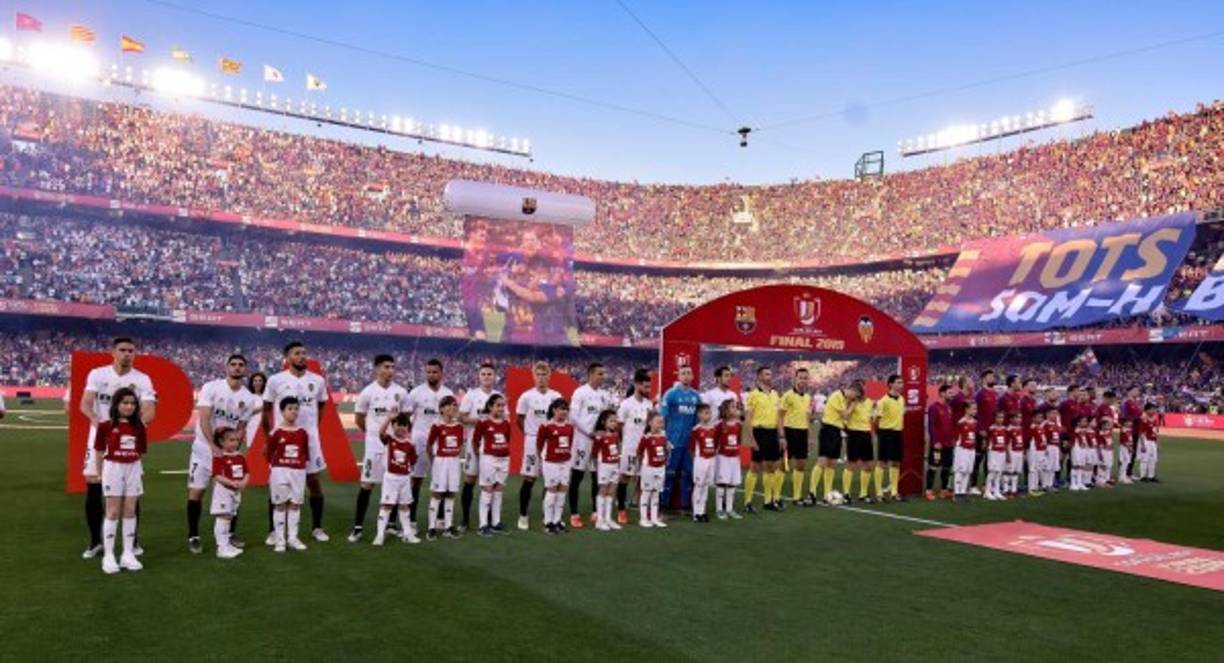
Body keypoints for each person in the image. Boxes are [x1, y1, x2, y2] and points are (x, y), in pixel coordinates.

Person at [80, 337, 156, 560]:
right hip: (101, 432)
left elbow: (150, 409)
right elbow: (85, 403)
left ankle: (132, 542)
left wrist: (133, 428)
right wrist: (98, 423)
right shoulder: (98, 374)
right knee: (94, 483)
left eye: (131, 351)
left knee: (130, 488)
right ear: (113, 352)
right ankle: (96, 541)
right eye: (122, 350)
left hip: (128, 436)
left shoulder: (142, 379)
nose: (126, 354)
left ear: (135, 354)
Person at [188, 354, 257, 555]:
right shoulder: (211, 387)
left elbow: (241, 428)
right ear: (226, 367)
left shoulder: (248, 398)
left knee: (233, 492)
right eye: (233, 364)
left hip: (228, 453)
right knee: (197, 492)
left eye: (241, 365)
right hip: (203, 449)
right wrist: (212, 445)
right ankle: (193, 535)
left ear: (245, 369)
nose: (237, 368)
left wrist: (234, 450)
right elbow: (204, 418)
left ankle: (229, 534)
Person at [262, 341, 330, 544]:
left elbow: (322, 404)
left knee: (314, 483)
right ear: (288, 357)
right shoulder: (276, 380)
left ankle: (317, 527)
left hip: (309, 440)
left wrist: (312, 428)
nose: (302, 356)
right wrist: (269, 436)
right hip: (283, 439)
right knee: (277, 484)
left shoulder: (317, 380)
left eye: (304, 353)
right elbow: (266, 408)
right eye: (297, 353)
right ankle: (274, 531)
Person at [350, 354, 408, 543]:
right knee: (367, 485)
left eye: (392, 367)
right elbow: (359, 419)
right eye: (386, 367)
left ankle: (391, 525)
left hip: (394, 448)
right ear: (376, 368)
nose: (390, 370)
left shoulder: (401, 392)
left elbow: (405, 420)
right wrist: (373, 434)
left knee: (393, 483)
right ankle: (357, 527)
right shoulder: (367, 392)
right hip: (374, 447)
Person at [94, 388, 147, 574]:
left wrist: (138, 470)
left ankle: (127, 553)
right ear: (116, 404)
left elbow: (140, 452)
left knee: (131, 510)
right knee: (113, 511)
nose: (129, 406)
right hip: (112, 468)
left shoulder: (139, 427)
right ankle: (109, 555)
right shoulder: (105, 426)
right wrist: (100, 474)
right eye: (125, 403)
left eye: (133, 403)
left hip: (133, 468)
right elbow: (99, 451)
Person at [404, 358, 454, 533]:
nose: (431, 375)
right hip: (419, 441)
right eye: (428, 372)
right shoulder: (416, 393)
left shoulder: (448, 393)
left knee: (441, 480)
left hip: (440, 443)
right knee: (416, 480)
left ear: (441, 373)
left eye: (435, 372)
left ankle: (440, 518)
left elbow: (451, 418)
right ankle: (411, 520)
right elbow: (407, 418)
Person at [568, 362, 615, 529]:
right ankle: (574, 513)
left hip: (599, 441)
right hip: (583, 440)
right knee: (577, 476)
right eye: (600, 374)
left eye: (604, 374)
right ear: (591, 375)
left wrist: (605, 433)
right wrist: (589, 431)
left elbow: (607, 418)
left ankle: (597, 511)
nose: (603, 377)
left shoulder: (605, 395)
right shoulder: (580, 392)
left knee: (598, 477)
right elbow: (573, 417)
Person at [515, 361, 561, 530]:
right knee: (529, 478)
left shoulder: (556, 396)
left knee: (550, 480)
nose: (541, 378)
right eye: (538, 374)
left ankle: (546, 516)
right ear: (534, 376)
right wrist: (529, 433)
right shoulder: (526, 396)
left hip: (551, 442)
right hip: (533, 441)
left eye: (545, 374)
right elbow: (519, 419)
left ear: (550, 376)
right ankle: (523, 516)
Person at [266, 397, 310, 552]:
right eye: (290, 408)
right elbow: (269, 453)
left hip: (298, 472)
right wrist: (272, 471)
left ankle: (293, 538)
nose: (294, 411)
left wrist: (301, 469)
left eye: (296, 408)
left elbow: (305, 453)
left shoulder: (303, 433)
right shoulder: (276, 432)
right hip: (280, 471)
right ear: (282, 411)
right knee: (279, 504)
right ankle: (280, 541)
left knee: (295, 504)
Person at [459, 363, 498, 532]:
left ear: (494, 376)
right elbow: (461, 417)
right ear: (479, 376)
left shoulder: (498, 396)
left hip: (493, 445)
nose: (487, 376)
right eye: (484, 374)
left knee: (490, 482)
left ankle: (489, 520)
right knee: (469, 480)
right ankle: (465, 519)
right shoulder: (471, 395)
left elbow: (505, 419)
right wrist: (482, 421)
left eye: (490, 374)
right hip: (474, 443)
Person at [374, 412, 420, 545]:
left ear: (408, 427)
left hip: (405, 478)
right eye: (398, 425)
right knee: (387, 505)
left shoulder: (410, 444)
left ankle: (407, 534)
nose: (401, 428)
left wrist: (407, 473)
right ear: (393, 426)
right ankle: (380, 535)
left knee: (404, 505)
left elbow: (412, 461)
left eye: (404, 425)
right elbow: (380, 432)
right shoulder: (389, 439)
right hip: (391, 478)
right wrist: (388, 418)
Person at [660, 364, 702, 512]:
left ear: (692, 376)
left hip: (689, 443)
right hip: (672, 442)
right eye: (683, 373)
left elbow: (699, 421)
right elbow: (663, 417)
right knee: (669, 473)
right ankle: (664, 505)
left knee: (688, 473)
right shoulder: (670, 394)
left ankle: (685, 505)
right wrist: (664, 438)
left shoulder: (696, 397)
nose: (686, 375)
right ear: (678, 376)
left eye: (688, 373)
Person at [615, 369, 653, 524]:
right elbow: (618, 426)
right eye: (645, 386)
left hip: (644, 448)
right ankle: (621, 509)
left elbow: (649, 425)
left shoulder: (649, 404)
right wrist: (624, 443)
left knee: (642, 477)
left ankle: (638, 504)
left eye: (649, 387)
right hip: (629, 447)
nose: (648, 390)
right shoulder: (626, 404)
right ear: (637, 385)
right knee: (625, 477)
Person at [473, 393, 512, 537]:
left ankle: (496, 522)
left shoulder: (506, 423)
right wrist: (482, 457)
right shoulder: (483, 423)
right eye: (498, 405)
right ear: (490, 407)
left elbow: (508, 440)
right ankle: (483, 525)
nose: (501, 408)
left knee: (499, 490)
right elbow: (475, 441)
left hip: (504, 459)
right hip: (488, 458)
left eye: (503, 406)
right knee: (487, 489)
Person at [425, 395, 464, 541]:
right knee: (437, 494)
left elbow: (459, 445)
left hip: (454, 462)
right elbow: (429, 446)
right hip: (440, 462)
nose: (452, 408)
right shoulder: (437, 426)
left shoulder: (459, 427)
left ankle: (448, 526)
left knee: (451, 494)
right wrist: (433, 463)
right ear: (441, 409)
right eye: (448, 405)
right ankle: (431, 527)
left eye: (454, 405)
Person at [743, 366, 781, 512]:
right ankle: (747, 502)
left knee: (770, 467)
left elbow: (778, 417)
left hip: (772, 433)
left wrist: (780, 435)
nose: (769, 376)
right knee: (755, 466)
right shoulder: (753, 395)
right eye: (766, 374)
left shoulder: (775, 394)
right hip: (759, 432)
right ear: (759, 376)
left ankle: (768, 501)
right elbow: (748, 418)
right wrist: (751, 439)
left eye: (770, 374)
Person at [210, 427, 248, 559]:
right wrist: (231, 483)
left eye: (236, 440)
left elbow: (247, 472)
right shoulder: (219, 457)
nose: (235, 443)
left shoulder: (240, 456)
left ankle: (227, 544)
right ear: (221, 442)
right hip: (224, 491)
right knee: (223, 517)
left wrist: (243, 482)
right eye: (231, 440)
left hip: (236, 492)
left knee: (229, 517)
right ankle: (221, 548)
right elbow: (216, 476)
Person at [537, 398, 574, 535]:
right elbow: (539, 445)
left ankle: (557, 520)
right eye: (561, 409)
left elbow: (569, 444)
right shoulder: (546, 426)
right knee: (552, 490)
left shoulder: (569, 427)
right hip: (551, 462)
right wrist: (542, 461)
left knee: (562, 490)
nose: (564, 412)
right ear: (554, 410)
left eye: (566, 409)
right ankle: (548, 522)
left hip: (565, 462)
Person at [777, 368, 813, 506]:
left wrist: (809, 436)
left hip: (802, 433)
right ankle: (776, 496)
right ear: (795, 379)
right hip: (789, 432)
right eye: (801, 378)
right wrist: (782, 436)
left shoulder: (808, 397)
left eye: (805, 378)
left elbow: (806, 418)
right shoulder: (788, 395)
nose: (803, 380)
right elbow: (779, 417)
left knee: (801, 465)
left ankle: (797, 497)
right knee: (784, 465)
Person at [814, 381, 853, 504]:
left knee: (832, 463)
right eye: (855, 395)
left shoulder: (844, 398)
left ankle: (827, 494)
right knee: (822, 462)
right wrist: (854, 404)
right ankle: (812, 493)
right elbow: (845, 415)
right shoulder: (837, 395)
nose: (855, 398)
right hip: (828, 430)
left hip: (837, 431)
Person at [874, 374, 906, 501]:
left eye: (902, 382)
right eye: (898, 382)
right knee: (882, 462)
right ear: (890, 384)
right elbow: (876, 419)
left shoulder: (902, 399)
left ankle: (894, 492)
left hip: (898, 433)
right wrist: (879, 433)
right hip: (885, 432)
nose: (901, 385)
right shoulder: (883, 401)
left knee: (896, 462)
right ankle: (879, 493)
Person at [591, 409, 623, 532]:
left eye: (615, 421)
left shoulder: (616, 435)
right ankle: (600, 520)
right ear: (604, 422)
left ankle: (608, 518)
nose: (614, 423)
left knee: (611, 491)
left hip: (614, 465)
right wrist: (595, 465)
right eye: (611, 421)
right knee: (603, 490)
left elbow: (618, 449)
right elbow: (594, 453)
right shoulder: (600, 436)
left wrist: (618, 464)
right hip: (604, 465)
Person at [843, 381, 875, 504]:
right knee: (852, 464)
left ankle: (863, 493)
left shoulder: (869, 402)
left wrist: (871, 435)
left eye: (863, 387)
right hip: (854, 434)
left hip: (866, 435)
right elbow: (845, 416)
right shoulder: (849, 402)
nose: (862, 390)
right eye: (859, 388)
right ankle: (846, 493)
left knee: (868, 465)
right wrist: (853, 404)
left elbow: (870, 420)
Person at [637, 413, 669, 528]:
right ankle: (643, 518)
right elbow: (639, 452)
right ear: (650, 423)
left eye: (662, 422)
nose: (660, 424)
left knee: (656, 493)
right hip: (649, 468)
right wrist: (643, 464)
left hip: (660, 468)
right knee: (646, 492)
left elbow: (665, 450)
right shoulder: (646, 437)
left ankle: (654, 518)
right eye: (658, 422)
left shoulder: (664, 436)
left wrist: (665, 460)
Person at [688, 403, 719, 523]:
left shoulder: (713, 429)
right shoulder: (696, 430)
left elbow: (715, 444)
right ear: (699, 415)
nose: (708, 415)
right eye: (705, 413)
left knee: (706, 486)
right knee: (699, 485)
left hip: (711, 459)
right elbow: (691, 448)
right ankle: (696, 512)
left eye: (709, 412)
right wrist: (696, 460)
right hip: (700, 460)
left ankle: (703, 511)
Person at [714, 399, 744, 520]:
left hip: (734, 458)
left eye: (735, 407)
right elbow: (715, 441)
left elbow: (740, 440)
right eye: (732, 407)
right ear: (725, 410)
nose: (735, 409)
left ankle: (730, 509)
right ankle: (719, 509)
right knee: (722, 483)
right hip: (723, 458)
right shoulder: (719, 425)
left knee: (733, 483)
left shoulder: (738, 425)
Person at [925, 384, 955, 500]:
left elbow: (951, 425)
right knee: (933, 467)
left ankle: (944, 491)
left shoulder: (949, 408)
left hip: (948, 443)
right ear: (942, 393)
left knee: (947, 467)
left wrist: (952, 439)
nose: (951, 395)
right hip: (938, 444)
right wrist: (935, 441)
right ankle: (928, 491)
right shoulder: (934, 407)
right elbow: (931, 425)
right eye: (949, 393)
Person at [972, 370, 998, 493]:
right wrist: (980, 428)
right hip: (982, 432)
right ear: (984, 379)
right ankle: (972, 485)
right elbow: (974, 412)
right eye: (989, 376)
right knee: (978, 459)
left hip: (993, 431)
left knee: (990, 459)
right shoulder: (980, 394)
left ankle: (985, 485)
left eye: (993, 376)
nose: (992, 378)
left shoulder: (995, 393)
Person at [952, 402, 978, 502]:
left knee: (968, 471)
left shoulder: (975, 422)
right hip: (962, 449)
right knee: (960, 471)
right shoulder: (961, 422)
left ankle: (963, 493)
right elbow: (956, 437)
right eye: (973, 409)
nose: (975, 411)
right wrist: (958, 448)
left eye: (975, 409)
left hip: (971, 449)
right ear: (966, 410)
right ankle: (957, 493)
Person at [984, 411, 1008, 501]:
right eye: (998, 417)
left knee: (999, 472)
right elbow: (988, 441)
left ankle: (996, 491)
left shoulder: (1004, 429)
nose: (1000, 419)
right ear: (994, 418)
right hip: (993, 452)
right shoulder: (991, 429)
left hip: (1001, 452)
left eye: (1002, 417)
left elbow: (1005, 441)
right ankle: (987, 491)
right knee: (992, 471)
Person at [1026, 409, 1048, 497]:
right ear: (1033, 418)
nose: (1040, 419)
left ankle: (1036, 487)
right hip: (1034, 451)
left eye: (1042, 417)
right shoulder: (1032, 428)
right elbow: (1030, 440)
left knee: (1038, 468)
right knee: (1033, 469)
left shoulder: (1041, 428)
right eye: (1038, 417)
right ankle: (1031, 489)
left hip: (1041, 451)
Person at [1136, 404, 1160, 482]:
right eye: (1152, 409)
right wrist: (1142, 444)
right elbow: (1141, 432)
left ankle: (1151, 476)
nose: (1153, 411)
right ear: (1147, 410)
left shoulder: (1154, 418)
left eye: (1154, 409)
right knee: (1145, 459)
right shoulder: (1143, 418)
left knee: (1153, 459)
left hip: (1152, 440)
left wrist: (1157, 441)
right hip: (1145, 440)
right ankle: (1142, 476)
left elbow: (1155, 431)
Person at [1070, 416, 1093, 492]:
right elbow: (1073, 439)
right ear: (1078, 423)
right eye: (1083, 421)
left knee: (1082, 465)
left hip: (1084, 449)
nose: (1085, 423)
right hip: (1077, 449)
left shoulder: (1085, 431)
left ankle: (1080, 482)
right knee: (1076, 465)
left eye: (1086, 421)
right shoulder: (1075, 430)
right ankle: (1073, 483)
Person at [1004, 411, 1025, 498]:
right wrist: (1008, 454)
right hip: (1012, 452)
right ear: (1011, 419)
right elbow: (1006, 443)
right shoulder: (1009, 429)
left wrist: (1023, 452)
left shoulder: (1020, 428)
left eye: (1020, 418)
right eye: (1017, 418)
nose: (1019, 420)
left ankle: (1014, 490)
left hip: (1019, 452)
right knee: (1009, 471)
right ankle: (1006, 490)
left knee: (1016, 472)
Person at [1041, 408, 1062, 493]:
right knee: (1047, 466)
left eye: (1056, 413)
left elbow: (1058, 437)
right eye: (1053, 413)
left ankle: (1050, 484)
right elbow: (1042, 436)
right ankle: (1045, 485)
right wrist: (1045, 448)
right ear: (1048, 414)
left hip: (1055, 447)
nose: (1055, 415)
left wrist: (1059, 449)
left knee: (1053, 467)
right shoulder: (1045, 424)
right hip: (1049, 447)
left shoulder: (1056, 424)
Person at [1117, 411, 1136, 485]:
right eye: (1128, 422)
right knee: (1125, 461)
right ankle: (1122, 477)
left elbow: (1130, 439)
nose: (1130, 423)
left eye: (1131, 422)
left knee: (1127, 461)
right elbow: (1123, 440)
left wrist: (1131, 446)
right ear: (1124, 423)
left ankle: (1123, 476)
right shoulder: (1123, 430)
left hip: (1129, 447)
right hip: (1125, 447)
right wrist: (1129, 447)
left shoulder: (1129, 429)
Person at [1095, 418, 1116, 488]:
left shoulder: (1109, 432)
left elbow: (1110, 441)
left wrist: (1112, 447)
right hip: (1104, 451)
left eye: (1109, 425)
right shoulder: (1100, 433)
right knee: (1102, 465)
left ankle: (1107, 479)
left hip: (1109, 451)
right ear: (1102, 426)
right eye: (1107, 425)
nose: (1109, 427)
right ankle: (1100, 481)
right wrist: (1100, 452)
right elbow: (1099, 444)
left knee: (1109, 465)